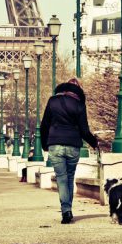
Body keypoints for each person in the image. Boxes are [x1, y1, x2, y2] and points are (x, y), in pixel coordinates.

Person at [39, 77, 100, 224]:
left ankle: (66, 210)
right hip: (73, 144)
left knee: (61, 178)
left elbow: (44, 125)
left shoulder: (52, 101)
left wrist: (44, 144)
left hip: (55, 144)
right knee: (70, 178)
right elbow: (84, 131)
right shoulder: (79, 104)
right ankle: (68, 209)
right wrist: (94, 143)